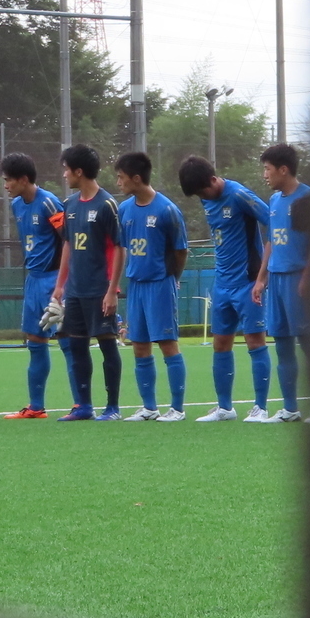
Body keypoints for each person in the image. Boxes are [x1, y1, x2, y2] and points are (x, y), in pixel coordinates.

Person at [179, 156, 273, 422]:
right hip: (221, 284)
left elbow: (274, 225)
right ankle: (224, 408)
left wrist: (262, 277)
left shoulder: (240, 195)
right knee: (220, 344)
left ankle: (261, 408)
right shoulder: (205, 196)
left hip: (247, 282)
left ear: (212, 180)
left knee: (255, 341)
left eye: (202, 191)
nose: (201, 197)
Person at [250, 143, 310, 422]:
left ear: (284, 169)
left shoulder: (309, 199)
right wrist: (261, 278)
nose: (265, 175)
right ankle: (290, 408)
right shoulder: (274, 201)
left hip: (299, 279)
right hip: (277, 280)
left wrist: (307, 278)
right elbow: (271, 241)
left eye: (268, 169)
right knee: (281, 343)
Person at [50, 144, 126, 421]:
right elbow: (68, 245)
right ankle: (83, 406)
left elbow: (120, 248)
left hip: (100, 289)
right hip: (76, 290)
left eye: (66, 170)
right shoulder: (68, 205)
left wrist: (112, 290)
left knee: (107, 344)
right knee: (77, 345)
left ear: (79, 171)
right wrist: (60, 285)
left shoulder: (107, 205)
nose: (64, 175)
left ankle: (113, 408)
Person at [113, 151, 190, 420]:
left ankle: (177, 409)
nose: (118, 182)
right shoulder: (124, 210)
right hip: (136, 285)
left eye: (121, 177)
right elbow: (122, 248)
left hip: (160, 284)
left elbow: (181, 251)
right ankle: (149, 407)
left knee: (168, 344)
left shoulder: (167, 210)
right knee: (139, 346)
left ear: (136, 178)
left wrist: (173, 279)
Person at [2, 152, 65, 418]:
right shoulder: (16, 205)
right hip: (33, 279)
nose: (5, 185)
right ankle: (36, 407)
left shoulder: (50, 203)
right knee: (35, 340)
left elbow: (68, 242)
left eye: (8, 180)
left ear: (24, 179)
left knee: (68, 341)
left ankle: (81, 405)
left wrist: (62, 283)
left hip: (53, 279)